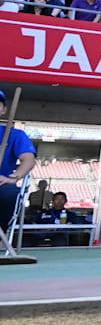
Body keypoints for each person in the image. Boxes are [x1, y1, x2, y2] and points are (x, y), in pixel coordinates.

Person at [0, 89, 37, 234]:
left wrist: (11, 178)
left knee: (9, 193)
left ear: (3, 110)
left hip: (1, 184)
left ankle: (1, 234)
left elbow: (28, 160)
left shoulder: (15, 135)